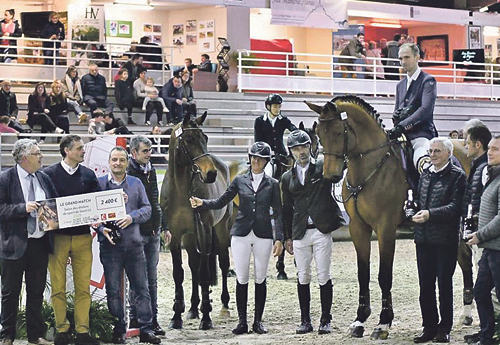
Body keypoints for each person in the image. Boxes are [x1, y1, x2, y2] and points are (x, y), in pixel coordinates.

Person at [190, 142, 284, 335]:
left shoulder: (273, 184)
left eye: (260, 158)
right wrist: (203, 203)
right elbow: (221, 201)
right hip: (241, 234)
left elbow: (279, 213)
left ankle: (257, 321)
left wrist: (279, 238)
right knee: (241, 278)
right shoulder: (239, 181)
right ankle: (242, 321)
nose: (255, 161)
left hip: (263, 235)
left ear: (266, 161)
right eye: (253, 157)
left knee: (260, 278)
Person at [281, 130, 344, 335]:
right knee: (303, 276)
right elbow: (286, 209)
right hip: (300, 232)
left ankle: (325, 319)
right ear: (291, 152)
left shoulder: (322, 166)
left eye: (304, 147)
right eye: (297, 149)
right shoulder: (286, 177)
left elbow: (337, 173)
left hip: (320, 229)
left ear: (311, 147)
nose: (301, 152)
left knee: (324, 274)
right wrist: (287, 236)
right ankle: (305, 319)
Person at [96, 146, 160, 345]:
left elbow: (148, 209)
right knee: (113, 290)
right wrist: (100, 229)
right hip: (110, 245)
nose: (117, 163)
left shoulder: (136, 183)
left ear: (127, 162)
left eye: (121, 160)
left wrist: (131, 218)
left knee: (141, 288)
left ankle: (146, 330)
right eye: (114, 159)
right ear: (109, 162)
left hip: (134, 244)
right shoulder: (98, 184)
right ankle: (118, 329)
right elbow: (91, 214)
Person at [43, 136, 101, 345]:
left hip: (83, 237)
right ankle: (61, 330)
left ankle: (83, 331)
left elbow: (96, 204)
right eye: (79, 148)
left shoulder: (88, 174)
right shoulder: (48, 174)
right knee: (58, 286)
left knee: (83, 286)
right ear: (67, 151)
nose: (82, 151)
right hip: (57, 238)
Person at [0, 139, 58, 345]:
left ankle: (36, 335)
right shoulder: (5, 178)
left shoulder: (44, 178)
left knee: (36, 292)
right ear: (24, 158)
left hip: (39, 244)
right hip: (14, 245)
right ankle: (7, 335)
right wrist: (21, 208)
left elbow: (54, 205)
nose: (41, 156)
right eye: (37, 153)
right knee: (10, 293)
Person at [410, 137, 466, 343]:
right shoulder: (424, 175)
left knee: (444, 285)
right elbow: (418, 199)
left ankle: (445, 327)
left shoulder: (457, 176)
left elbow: (455, 207)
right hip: (423, 239)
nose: (432, 155)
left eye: (437, 151)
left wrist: (430, 214)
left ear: (448, 154)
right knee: (425, 286)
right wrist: (412, 209)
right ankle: (429, 326)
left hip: (445, 240)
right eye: (430, 151)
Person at [127, 136, 171, 336]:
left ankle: (152, 319)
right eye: (145, 151)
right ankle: (135, 318)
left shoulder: (151, 170)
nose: (149, 154)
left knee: (151, 279)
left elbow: (155, 201)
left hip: (152, 232)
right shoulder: (128, 173)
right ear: (134, 152)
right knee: (137, 279)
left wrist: (164, 226)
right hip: (136, 232)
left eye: (150, 150)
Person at [465, 135, 500, 345]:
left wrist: (480, 234)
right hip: (490, 249)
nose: (490, 152)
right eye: (489, 148)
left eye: (495, 149)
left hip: (497, 249)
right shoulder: (493, 176)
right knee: (480, 291)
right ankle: (487, 336)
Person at [461, 124, 492, 344]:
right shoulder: (478, 166)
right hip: (478, 232)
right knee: (482, 289)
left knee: (486, 289)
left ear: (477, 144)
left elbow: (485, 204)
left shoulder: (485, 169)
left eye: (466, 142)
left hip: (485, 236)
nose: (464, 146)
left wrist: (478, 231)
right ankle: (486, 331)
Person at [388, 43, 438, 173]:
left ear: (417, 57)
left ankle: (428, 186)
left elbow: (425, 110)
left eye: (406, 57)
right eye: (400, 59)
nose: (403, 62)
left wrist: (403, 125)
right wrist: (396, 119)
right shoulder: (400, 85)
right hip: (402, 136)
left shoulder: (428, 80)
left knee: (422, 160)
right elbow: (396, 109)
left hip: (421, 134)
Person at [254, 93, 297, 167]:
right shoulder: (259, 121)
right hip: (265, 156)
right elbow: (258, 141)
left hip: (282, 155)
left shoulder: (283, 120)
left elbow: (293, 128)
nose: (278, 109)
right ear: (268, 107)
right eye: (275, 107)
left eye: (279, 107)